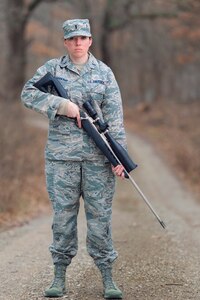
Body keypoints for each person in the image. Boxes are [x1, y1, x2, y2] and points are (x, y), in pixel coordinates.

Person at [21, 18, 126, 299]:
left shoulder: (105, 73)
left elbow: (115, 120)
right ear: (65, 42)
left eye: (83, 37)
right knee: (63, 220)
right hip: (61, 160)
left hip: (98, 161)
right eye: (72, 38)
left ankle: (108, 278)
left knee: (100, 220)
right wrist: (60, 105)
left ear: (90, 40)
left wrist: (119, 158)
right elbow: (27, 93)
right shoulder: (52, 69)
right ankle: (59, 278)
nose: (78, 43)